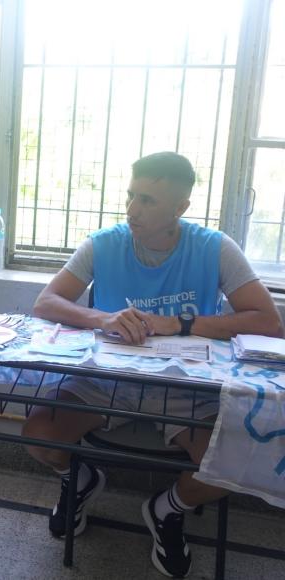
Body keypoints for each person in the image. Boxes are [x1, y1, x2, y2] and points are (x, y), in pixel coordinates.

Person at [23, 152, 283, 578]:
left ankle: (166, 510)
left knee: (232, 465)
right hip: (107, 379)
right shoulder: (104, 243)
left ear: (179, 209)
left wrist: (179, 323)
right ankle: (80, 480)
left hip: (184, 386)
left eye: (147, 200)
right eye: (130, 195)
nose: (132, 209)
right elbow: (45, 303)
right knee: (38, 436)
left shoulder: (214, 247)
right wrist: (103, 317)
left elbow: (268, 323)